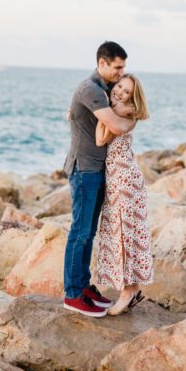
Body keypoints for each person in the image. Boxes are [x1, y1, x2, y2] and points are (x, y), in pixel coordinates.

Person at [61, 41, 136, 317]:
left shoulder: (106, 89)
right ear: (102, 63)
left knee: (89, 233)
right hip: (84, 169)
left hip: (98, 168)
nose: (121, 72)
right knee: (80, 232)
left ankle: (83, 286)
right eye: (117, 66)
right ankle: (72, 294)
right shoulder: (90, 89)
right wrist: (133, 120)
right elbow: (116, 125)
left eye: (123, 67)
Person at [94, 73, 154, 315]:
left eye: (126, 91)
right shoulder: (117, 108)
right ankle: (131, 288)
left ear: (133, 97)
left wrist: (104, 108)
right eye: (119, 86)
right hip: (120, 178)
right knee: (124, 233)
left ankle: (128, 292)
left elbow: (100, 139)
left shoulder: (124, 110)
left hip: (124, 180)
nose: (120, 92)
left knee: (124, 234)